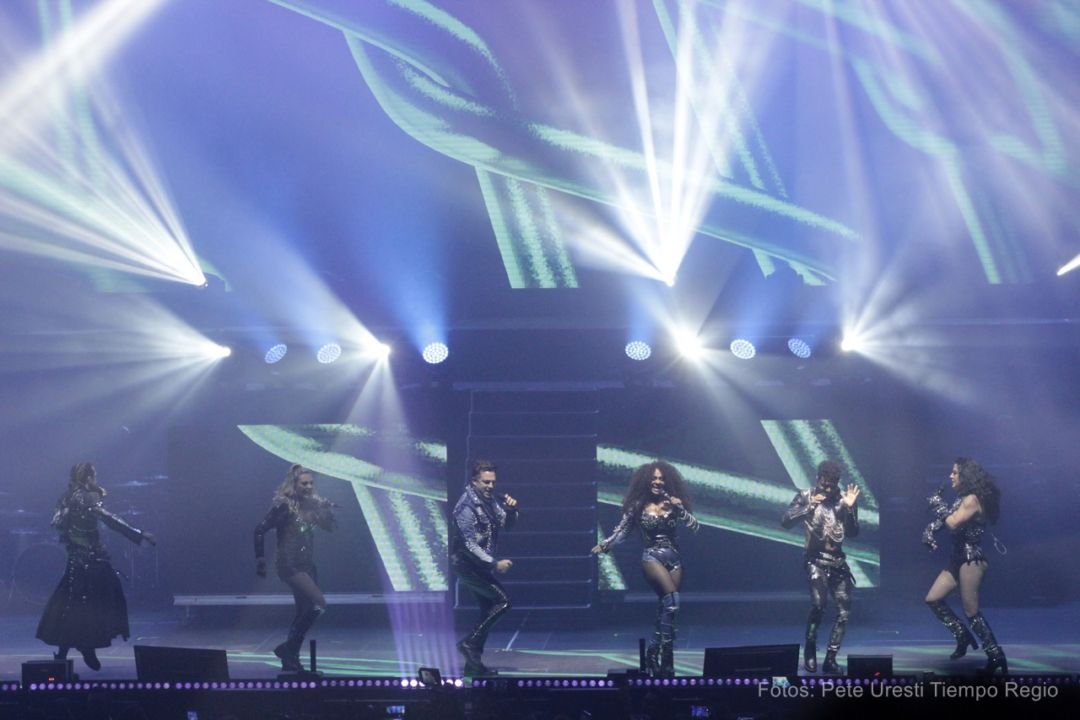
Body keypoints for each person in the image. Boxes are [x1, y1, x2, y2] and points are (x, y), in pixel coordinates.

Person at [36, 462, 156, 670]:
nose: (96, 479)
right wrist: (138, 534)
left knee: (72, 604)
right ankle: (84, 647)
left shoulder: (66, 497)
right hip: (92, 559)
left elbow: (57, 524)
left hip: (76, 557)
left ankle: (70, 652)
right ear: (88, 478)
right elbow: (109, 519)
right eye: (94, 476)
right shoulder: (88, 497)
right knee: (97, 602)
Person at [593, 461, 699, 678]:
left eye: (661, 478)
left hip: (674, 559)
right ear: (646, 481)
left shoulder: (673, 504)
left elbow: (694, 526)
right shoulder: (637, 506)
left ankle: (652, 652)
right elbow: (622, 531)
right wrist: (605, 545)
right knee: (672, 601)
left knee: (666, 607)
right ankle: (667, 656)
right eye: (654, 478)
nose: (657, 482)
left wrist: (680, 508)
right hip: (652, 557)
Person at [923, 457, 1005, 674]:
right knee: (933, 599)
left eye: (955, 472)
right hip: (957, 557)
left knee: (971, 611)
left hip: (971, 559)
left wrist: (937, 503)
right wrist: (929, 531)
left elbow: (953, 523)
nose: (950, 476)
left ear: (965, 476)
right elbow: (947, 519)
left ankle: (996, 655)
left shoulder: (972, 500)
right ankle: (962, 635)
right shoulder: (962, 498)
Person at [254, 464, 336, 673]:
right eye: (304, 483)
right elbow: (259, 530)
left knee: (304, 611)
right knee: (319, 604)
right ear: (294, 485)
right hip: (289, 563)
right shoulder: (284, 506)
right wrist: (261, 560)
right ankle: (288, 649)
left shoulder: (313, 506)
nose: (308, 487)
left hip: (307, 564)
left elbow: (331, 528)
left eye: (311, 483)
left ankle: (290, 659)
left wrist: (325, 510)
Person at [781, 460, 860, 674]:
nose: (828, 489)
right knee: (818, 605)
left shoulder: (844, 499)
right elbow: (786, 521)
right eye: (824, 484)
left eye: (832, 485)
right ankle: (810, 646)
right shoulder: (806, 496)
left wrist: (850, 509)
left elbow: (853, 533)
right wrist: (809, 507)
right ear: (818, 480)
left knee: (844, 612)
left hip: (838, 562)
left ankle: (831, 659)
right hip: (815, 560)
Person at [451, 459, 519, 675]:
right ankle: (469, 644)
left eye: (493, 482)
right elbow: (468, 544)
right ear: (474, 481)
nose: (490, 486)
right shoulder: (466, 507)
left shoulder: (487, 501)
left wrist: (511, 510)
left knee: (488, 609)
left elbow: (505, 523)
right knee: (503, 602)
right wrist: (494, 563)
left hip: (478, 565)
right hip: (467, 566)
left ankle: (473, 667)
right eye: (486, 482)